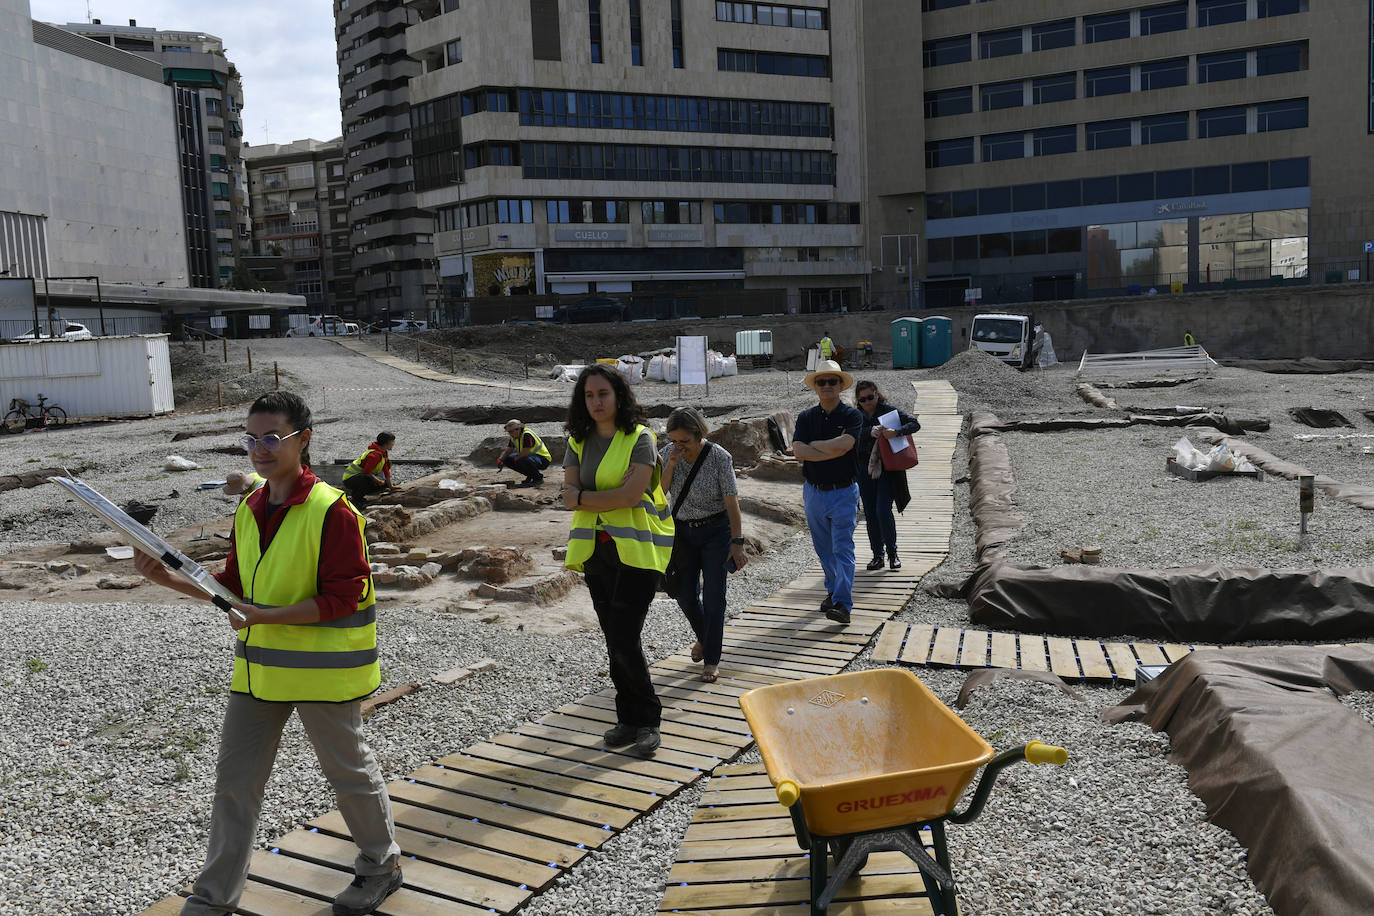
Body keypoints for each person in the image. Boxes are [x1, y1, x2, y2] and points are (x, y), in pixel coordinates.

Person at [132, 391, 402, 916]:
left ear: (303, 439)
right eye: (251, 438)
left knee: (349, 775)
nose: (260, 448)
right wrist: (165, 577)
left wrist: (266, 617)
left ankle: (381, 864)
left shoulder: (334, 511)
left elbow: (345, 595)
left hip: (325, 674)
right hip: (259, 672)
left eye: (272, 437)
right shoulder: (252, 507)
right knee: (234, 786)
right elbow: (232, 587)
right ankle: (213, 900)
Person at [561, 365, 673, 757]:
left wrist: (584, 498)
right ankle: (627, 719)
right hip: (597, 551)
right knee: (615, 638)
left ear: (619, 397)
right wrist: (596, 495)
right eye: (589, 396)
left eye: (603, 394)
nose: (596, 402)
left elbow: (630, 496)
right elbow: (566, 494)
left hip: (638, 553)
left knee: (624, 635)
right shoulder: (578, 441)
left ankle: (648, 720)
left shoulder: (641, 438)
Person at [660, 407, 749, 683]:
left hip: (716, 532)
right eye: (674, 440)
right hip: (682, 532)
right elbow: (660, 494)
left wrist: (738, 542)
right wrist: (672, 464)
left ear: (699, 434)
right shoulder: (666, 455)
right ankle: (705, 638)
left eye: (684, 441)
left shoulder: (720, 457)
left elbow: (731, 502)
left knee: (714, 598)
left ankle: (712, 659)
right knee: (684, 594)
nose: (678, 446)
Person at [791, 359, 863, 625]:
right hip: (814, 493)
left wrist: (815, 448)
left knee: (843, 548)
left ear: (841, 385)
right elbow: (798, 451)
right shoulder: (806, 417)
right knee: (824, 549)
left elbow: (845, 446)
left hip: (843, 492)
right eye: (822, 382)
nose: (827, 386)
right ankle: (833, 591)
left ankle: (843, 604)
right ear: (816, 387)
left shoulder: (852, 416)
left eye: (832, 381)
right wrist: (829, 448)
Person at [854, 380, 921, 572]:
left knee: (882, 510)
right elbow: (848, 433)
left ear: (877, 393)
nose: (867, 402)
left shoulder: (888, 411)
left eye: (870, 397)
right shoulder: (855, 415)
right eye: (862, 400)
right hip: (864, 468)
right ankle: (878, 556)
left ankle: (893, 554)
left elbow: (915, 424)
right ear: (858, 401)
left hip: (888, 468)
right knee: (870, 513)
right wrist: (869, 431)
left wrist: (897, 432)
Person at [341, 432, 395, 508]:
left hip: (359, 478)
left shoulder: (383, 453)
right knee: (368, 479)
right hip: (350, 479)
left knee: (384, 484)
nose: (393, 444)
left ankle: (357, 495)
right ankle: (357, 500)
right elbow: (366, 472)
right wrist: (378, 481)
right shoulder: (374, 455)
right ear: (386, 443)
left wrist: (390, 486)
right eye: (392, 442)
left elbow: (386, 470)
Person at [498, 418, 552, 487]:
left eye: (511, 432)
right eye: (509, 432)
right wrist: (501, 459)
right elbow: (508, 450)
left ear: (518, 429)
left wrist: (516, 459)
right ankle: (531, 475)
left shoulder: (527, 435)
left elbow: (526, 452)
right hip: (531, 458)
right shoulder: (514, 437)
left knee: (522, 459)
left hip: (543, 459)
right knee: (507, 459)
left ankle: (538, 478)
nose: (510, 434)